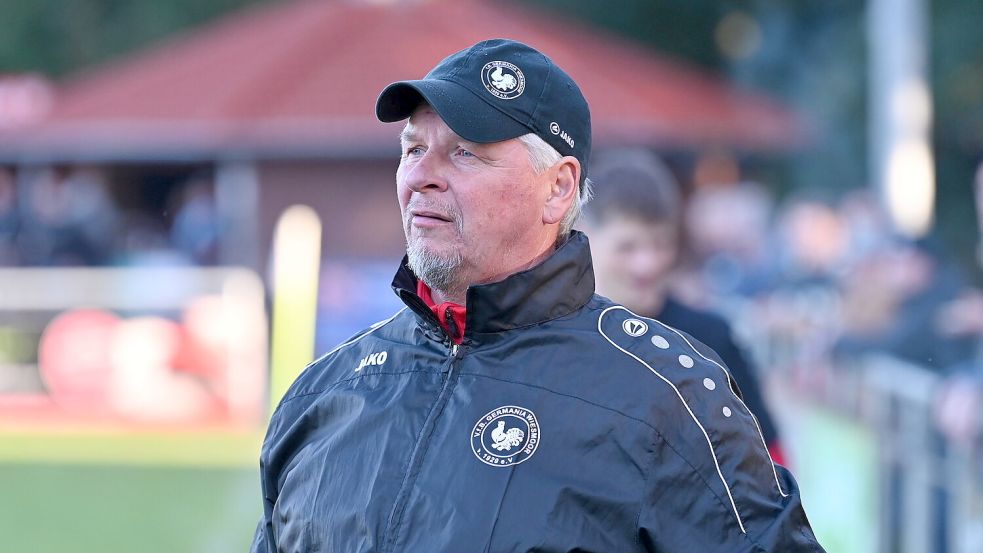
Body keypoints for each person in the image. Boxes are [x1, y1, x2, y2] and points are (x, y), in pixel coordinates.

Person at [253, 39, 823, 552]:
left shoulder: (669, 398)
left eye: (464, 152)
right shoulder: (325, 392)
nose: (420, 175)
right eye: (412, 149)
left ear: (558, 188)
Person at [579, 150, 787, 465]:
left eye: (660, 244)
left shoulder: (710, 340)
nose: (646, 264)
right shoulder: (564, 337)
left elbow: (768, 458)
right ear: (587, 236)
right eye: (628, 247)